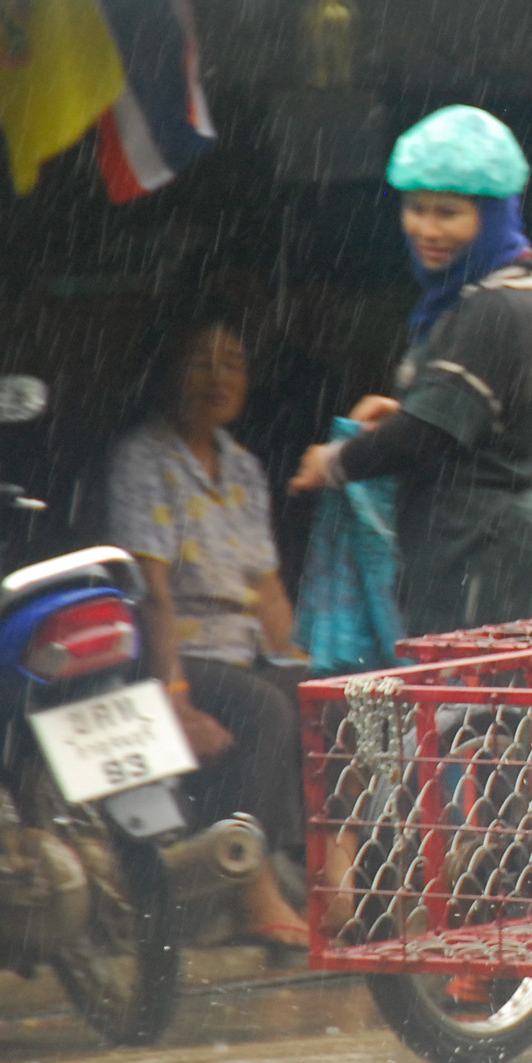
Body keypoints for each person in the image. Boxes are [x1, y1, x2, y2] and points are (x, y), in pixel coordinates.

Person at [290, 104, 532, 637]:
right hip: (464, 553)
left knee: (487, 718)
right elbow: (456, 421)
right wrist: (409, 410)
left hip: (488, 561)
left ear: (491, 217)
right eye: (416, 208)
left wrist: (336, 462)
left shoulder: (498, 304)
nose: (426, 228)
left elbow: (427, 438)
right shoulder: (477, 296)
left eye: (448, 212)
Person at [105, 317, 312, 951]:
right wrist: (175, 693)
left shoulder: (244, 468)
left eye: (233, 364)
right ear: (167, 372)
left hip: (238, 645)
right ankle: (250, 890)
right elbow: (152, 592)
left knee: (329, 701)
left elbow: (268, 588)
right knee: (266, 710)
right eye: (201, 362)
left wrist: (309, 664)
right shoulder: (145, 458)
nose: (218, 378)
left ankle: (329, 884)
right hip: (174, 649)